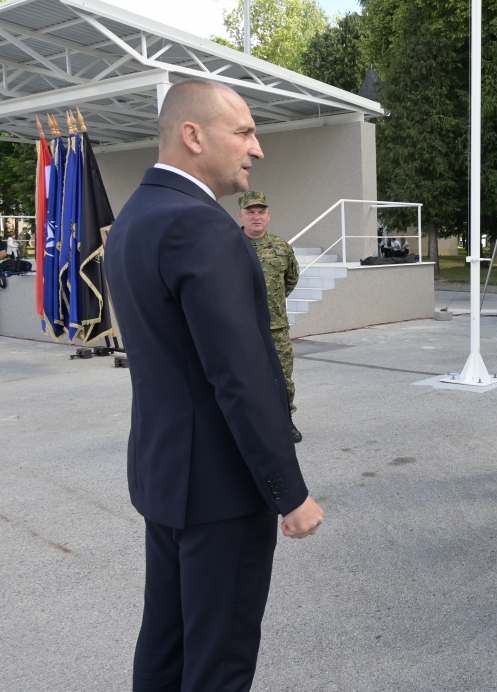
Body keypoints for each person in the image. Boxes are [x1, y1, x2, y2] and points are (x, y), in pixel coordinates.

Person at [104, 78, 324, 692]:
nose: (257, 149)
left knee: (167, 646)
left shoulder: (135, 218)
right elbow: (240, 376)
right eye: (245, 132)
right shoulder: (200, 226)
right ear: (193, 135)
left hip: (168, 477)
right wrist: (289, 492)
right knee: (218, 664)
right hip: (221, 491)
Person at [238, 190, 303, 443]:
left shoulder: (281, 247)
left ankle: (286, 421)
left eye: (261, 212)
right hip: (240, 328)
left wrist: (271, 303)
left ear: (268, 216)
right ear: (241, 216)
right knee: (243, 378)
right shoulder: (228, 245)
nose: (256, 216)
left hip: (275, 327)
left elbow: (291, 279)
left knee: (282, 377)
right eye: (250, 212)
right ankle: (246, 425)